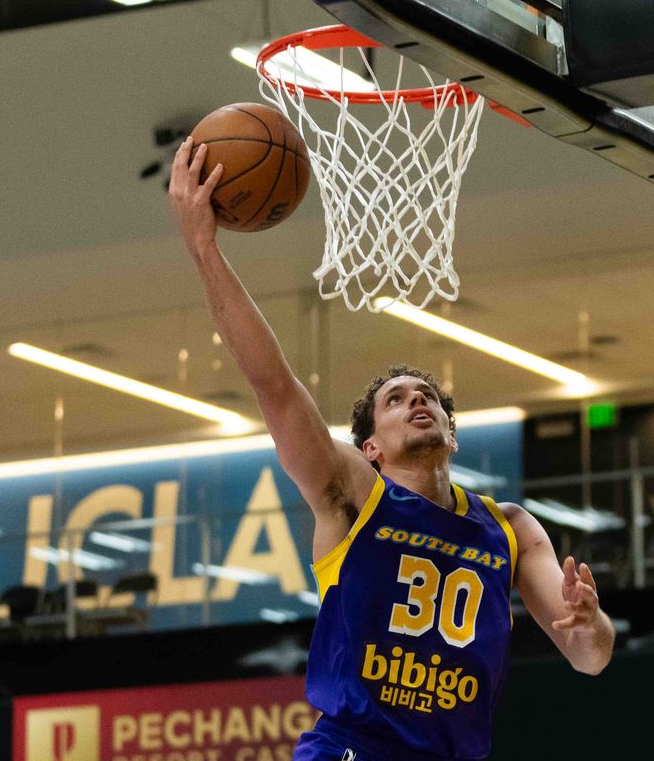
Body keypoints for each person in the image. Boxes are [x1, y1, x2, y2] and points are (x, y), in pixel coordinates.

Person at [169, 137, 614, 761]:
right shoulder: (350, 496)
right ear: (370, 446)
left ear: (451, 435)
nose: (418, 401)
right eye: (397, 399)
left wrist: (590, 623)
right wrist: (203, 248)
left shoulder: (508, 529)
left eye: (428, 395)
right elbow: (274, 384)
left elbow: (588, 658)